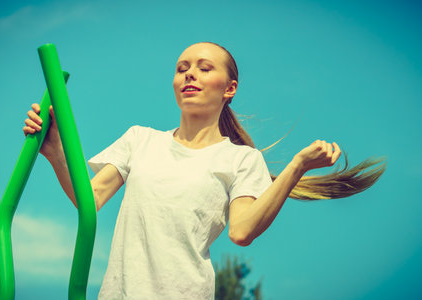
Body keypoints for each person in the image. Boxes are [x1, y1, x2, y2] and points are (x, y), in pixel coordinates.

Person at [23, 42, 385, 299]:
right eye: (182, 68)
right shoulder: (140, 139)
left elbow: (241, 231)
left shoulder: (240, 160)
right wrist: (55, 152)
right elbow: (91, 199)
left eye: (203, 67)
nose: (190, 74)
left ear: (230, 88)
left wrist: (297, 166)